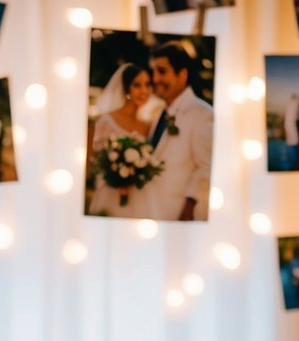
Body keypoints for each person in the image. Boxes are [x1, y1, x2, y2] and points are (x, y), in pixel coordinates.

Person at [88, 62, 165, 219]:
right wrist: (115, 171)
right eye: (137, 85)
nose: (144, 91)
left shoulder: (148, 125)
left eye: (147, 85)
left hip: (140, 194)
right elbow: (93, 159)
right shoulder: (106, 120)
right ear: (126, 88)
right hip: (111, 191)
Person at [146, 42, 213, 220]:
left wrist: (189, 206)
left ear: (182, 75)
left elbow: (206, 167)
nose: (155, 79)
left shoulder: (203, 114)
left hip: (180, 215)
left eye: (162, 71)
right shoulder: (159, 112)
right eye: (153, 72)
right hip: (153, 211)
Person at [283, 94, 299, 170]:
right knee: (293, 159)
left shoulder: (290, 107)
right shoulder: (293, 105)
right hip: (292, 140)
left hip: (291, 139)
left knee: (292, 158)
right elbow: (289, 123)